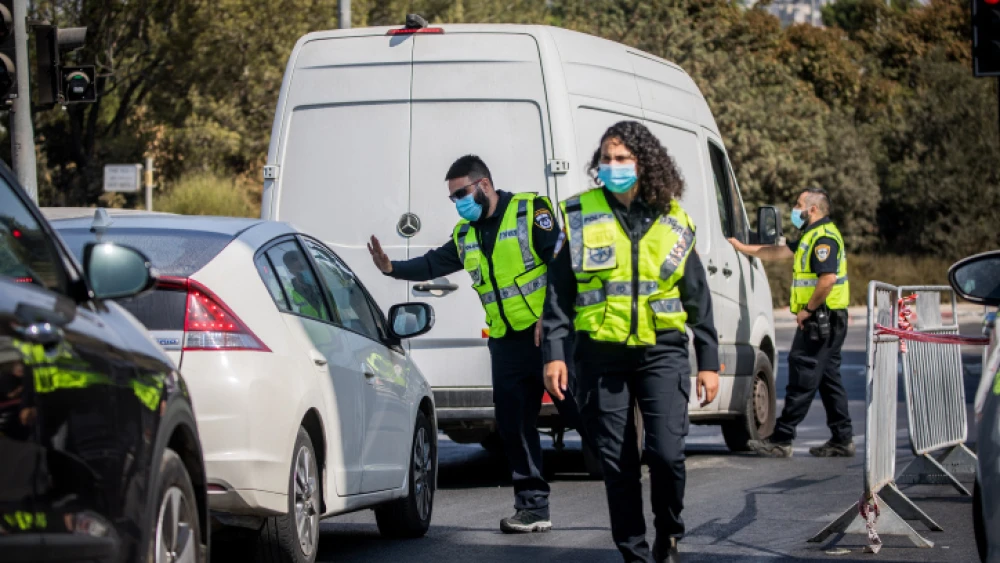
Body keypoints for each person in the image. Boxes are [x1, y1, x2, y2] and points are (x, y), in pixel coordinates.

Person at [368, 154, 577, 533]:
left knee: (584, 415)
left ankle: (626, 494)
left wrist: (550, 318)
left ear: (483, 185)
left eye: (460, 194)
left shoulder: (531, 210)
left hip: (550, 336)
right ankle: (532, 508)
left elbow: (562, 266)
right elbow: (434, 263)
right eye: (452, 198)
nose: (457, 203)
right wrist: (392, 268)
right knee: (513, 425)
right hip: (507, 343)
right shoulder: (466, 234)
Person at [542, 121, 720, 563]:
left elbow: (696, 294)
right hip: (601, 354)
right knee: (615, 463)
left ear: (643, 163)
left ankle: (670, 531)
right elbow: (559, 292)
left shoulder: (672, 218)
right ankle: (634, 553)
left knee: (666, 453)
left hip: (662, 350)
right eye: (606, 158)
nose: (612, 166)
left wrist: (709, 361)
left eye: (622, 159)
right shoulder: (579, 214)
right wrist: (555, 354)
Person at [728, 187, 854, 458]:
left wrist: (808, 309)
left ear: (813, 210)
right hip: (829, 317)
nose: (795, 210)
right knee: (829, 378)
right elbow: (777, 252)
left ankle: (782, 439)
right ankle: (842, 439)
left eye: (799, 205)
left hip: (822, 318)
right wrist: (741, 248)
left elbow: (827, 279)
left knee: (802, 375)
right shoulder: (810, 236)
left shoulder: (823, 238)